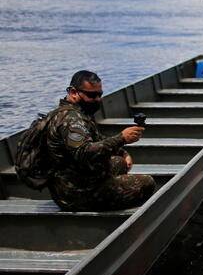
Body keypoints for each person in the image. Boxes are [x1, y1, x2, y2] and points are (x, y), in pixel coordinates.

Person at [45, 70, 155, 211]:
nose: (97, 100)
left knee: (119, 162)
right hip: (75, 194)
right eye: (92, 95)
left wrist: (122, 152)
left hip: (80, 177)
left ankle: (110, 189)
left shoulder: (79, 113)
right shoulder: (71, 119)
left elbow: (97, 140)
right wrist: (121, 138)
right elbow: (84, 152)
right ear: (73, 92)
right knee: (147, 183)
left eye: (99, 95)